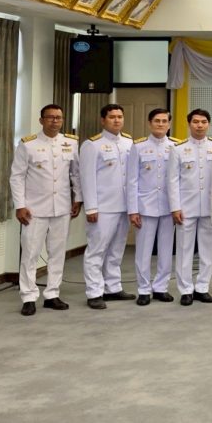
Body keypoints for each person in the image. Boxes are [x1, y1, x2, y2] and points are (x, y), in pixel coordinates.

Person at [9, 104, 81, 316]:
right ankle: (28, 297)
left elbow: (76, 174)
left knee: (57, 253)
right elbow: (17, 176)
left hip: (62, 207)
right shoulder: (28, 144)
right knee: (30, 253)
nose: (54, 121)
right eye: (50, 117)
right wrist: (20, 205)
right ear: (41, 120)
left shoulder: (71, 143)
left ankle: (52, 294)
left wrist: (78, 198)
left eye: (58, 117)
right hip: (34, 209)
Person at [80, 103, 135, 309]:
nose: (117, 120)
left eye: (120, 116)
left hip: (124, 206)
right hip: (103, 207)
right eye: (112, 117)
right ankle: (94, 292)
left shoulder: (129, 142)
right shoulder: (92, 145)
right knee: (96, 251)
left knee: (117, 249)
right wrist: (91, 207)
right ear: (103, 120)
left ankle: (112, 287)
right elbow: (87, 178)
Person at [168, 108, 212, 306]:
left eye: (203, 122)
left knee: (207, 250)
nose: (199, 125)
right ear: (189, 124)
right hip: (186, 207)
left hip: (210, 208)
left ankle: (202, 287)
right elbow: (172, 180)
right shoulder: (178, 148)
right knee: (184, 250)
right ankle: (185, 290)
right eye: (195, 122)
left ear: (208, 124)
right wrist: (175, 207)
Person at [127, 108, 178, 305]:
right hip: (145, 206)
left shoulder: (175, 146)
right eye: (157, 121)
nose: (161, 124)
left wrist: (178, 207)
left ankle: (161, 287)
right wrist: (133, 209)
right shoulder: (138, 146)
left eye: (164, 121)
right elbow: (132, 180)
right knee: (143, 251)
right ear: (150, 123)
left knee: (166, 250)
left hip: (168, 206)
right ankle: (143, 289)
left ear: (169, 124)